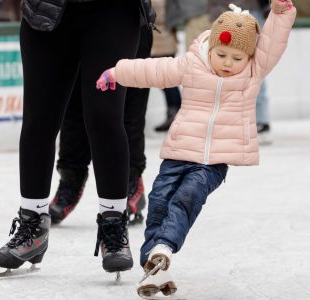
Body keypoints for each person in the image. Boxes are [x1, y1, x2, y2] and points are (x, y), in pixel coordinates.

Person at [96, 1, 295, 296]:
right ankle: (154, 262)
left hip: (212, 163)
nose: (228, 63)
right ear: (210, 48)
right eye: (222, 54)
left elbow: (273, 43)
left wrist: (281, 12)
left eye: (237, 58)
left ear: (249, 57)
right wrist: (117, 72)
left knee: (186, 199)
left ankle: (163, 248)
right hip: (178, 153)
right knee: (159, 202)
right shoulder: (192, 64)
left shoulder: (252, 72)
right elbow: (154, 69)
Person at [0, 0, 142, 278]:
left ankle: (113, 224)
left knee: (104, 116)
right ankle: (32, 225)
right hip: (47, 10)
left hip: (112, 14)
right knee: (39, 119)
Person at [49, 2, 156, 226]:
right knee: (75, 105)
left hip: (127, 17)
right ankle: (71, 178)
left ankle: (131, 179)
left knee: (126, 108)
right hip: (78, 18)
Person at [208, 0, 272, 145]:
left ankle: (261, 121)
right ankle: (230, 123)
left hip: (247, 12)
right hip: (221, 14)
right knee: (222, 68)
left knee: (253, 67)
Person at [150, 0, 182, 132]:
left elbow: (159, 16)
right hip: (162, 40)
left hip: (162, 41)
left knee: (167, 81)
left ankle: (175, 114)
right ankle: (175, 113)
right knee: (166, 80)